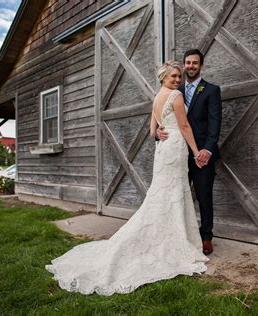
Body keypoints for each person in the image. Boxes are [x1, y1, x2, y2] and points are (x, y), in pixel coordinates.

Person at [46, 61, 209, 296]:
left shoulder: (156, 98)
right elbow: (184, 125)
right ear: (163, 77)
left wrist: (161, 132)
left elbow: (152, 131)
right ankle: (175, 239)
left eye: (179, 76)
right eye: (173, 76)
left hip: (164, 149)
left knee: (166, 192)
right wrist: (195, 152)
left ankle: (171, 234)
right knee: (173, 191)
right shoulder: (175, 95)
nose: (177, 79)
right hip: (174, 148)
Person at [157, 49, 222, 255]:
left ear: (201, 66)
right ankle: (178, 235)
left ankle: (205, 237)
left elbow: (215, 124)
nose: (190, 66)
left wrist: (207, 151)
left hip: (201, 154)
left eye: (195, 63)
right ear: (184, 65)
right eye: (187, 63)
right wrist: (158, 132)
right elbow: (163, 116)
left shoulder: (211, 90)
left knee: (204, 196)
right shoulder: (175, 88)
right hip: (178, 152)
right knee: (177, 195)